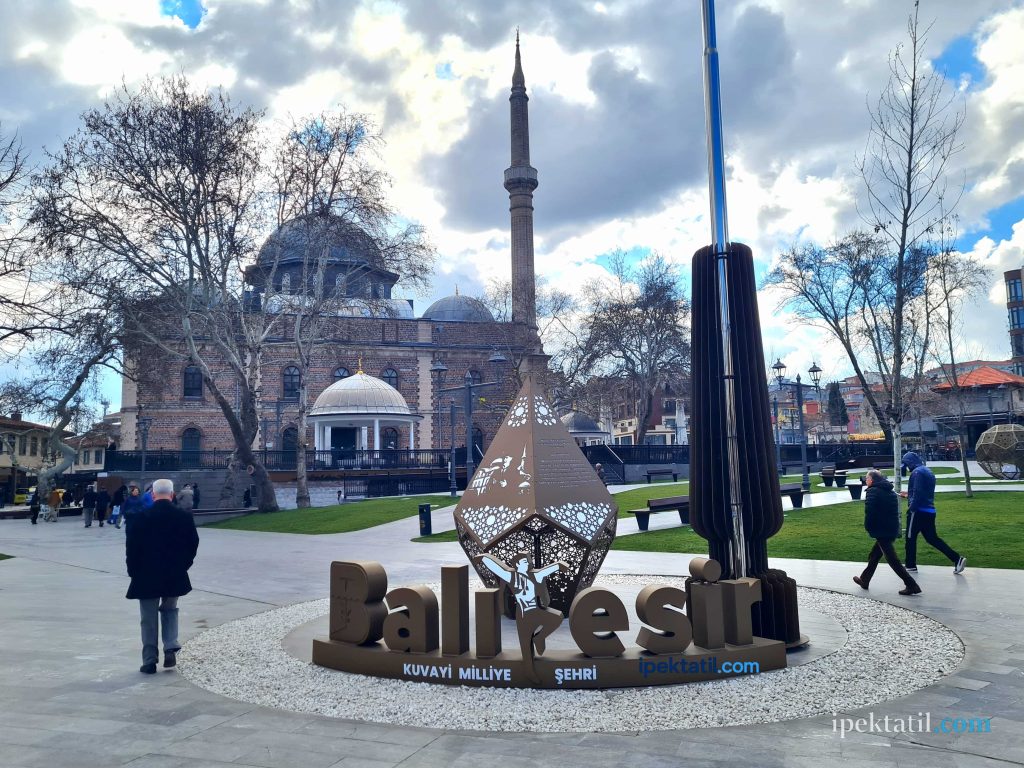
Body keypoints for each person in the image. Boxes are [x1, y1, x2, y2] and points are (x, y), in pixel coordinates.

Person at [125, 478, 199, 675]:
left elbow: (132, 547)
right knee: (170, 609)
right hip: (173, 572)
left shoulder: (141, 517)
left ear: (152, 494)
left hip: (146, 573)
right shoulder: (183, 517)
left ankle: (149, 659)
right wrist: (184, 565)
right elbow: (193, 544)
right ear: (173, 494)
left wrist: (133, 570)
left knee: (147, 617)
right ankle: (170, 645)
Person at [852, 470, 920, 595]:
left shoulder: (873, 491)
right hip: (891, 528)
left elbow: (870, 512)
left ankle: (911, 584)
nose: (866, 481)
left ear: (871, 480)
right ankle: (864, 580)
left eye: (867, 479)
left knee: (892, 559)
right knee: (874, 555)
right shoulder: (889, 490)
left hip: (882, 530)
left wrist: (868, 526)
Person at [901, 451, 966, 574]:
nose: (907, 468)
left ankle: (910, 565)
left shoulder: (916, 473)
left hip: (917, 511)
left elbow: (918, 493)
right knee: (932, 538)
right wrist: (909, 495)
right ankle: (957, 559)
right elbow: (923, 492)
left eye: (906, 464)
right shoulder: (927, 471)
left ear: (909, 463)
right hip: (929, 510)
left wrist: (911, 508)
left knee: (910, 538)